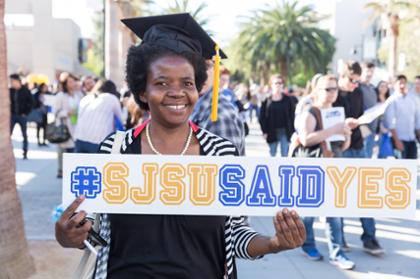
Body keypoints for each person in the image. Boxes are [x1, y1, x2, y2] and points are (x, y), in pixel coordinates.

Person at [55, 14, 306, 279]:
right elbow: (94, 232)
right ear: (142, 91)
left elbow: (234, 235)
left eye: (187, 83)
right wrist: (68, 235)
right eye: (162, 83)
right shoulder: (115, 151)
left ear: (197, 88)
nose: (177, 92)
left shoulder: (221, 154)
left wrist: (276, 243)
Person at [295, 75, 354, 270]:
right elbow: (305, 139)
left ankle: (337, 253)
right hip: (313, 167)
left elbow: (341, 146)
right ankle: (308, 245)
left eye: (334, 89)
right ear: (317, 90)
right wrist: (333, 129)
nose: (332, 93)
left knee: (334, 213)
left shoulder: (336, 113)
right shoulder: (310, 112)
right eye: (327, 89)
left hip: (333, 165)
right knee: (309, 212)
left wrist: (345, 135)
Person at [333, 61, 384, 256]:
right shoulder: (333, 93)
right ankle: (339, 238)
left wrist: (360, 125)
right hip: (339, 150)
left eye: (357, 81)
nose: (355, 85)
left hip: (358, 146)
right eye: (352, 81)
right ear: (342, 76)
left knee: (364, 195)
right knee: (339, 197)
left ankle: (369, 238)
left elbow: (361, 115)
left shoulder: (358, 92)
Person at [191, 59, 246, 155]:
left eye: (207, 66)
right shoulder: (190, 107)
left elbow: (225, 166)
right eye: (192, 64)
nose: (201, 72)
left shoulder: (220, 115)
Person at [74, 80, 123, 153]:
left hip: (79, 139)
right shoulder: (112, 98)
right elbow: (121, 118)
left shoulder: (86, 98)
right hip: (98, 141)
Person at [384, 75, 420, 159]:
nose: (402, 86)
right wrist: (397, 141)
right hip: (398, 140)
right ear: (394, 85)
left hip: (411, 140)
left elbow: (417, 120)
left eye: (404, 83)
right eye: (400, 83)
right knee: (400, 168)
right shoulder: (391, 101)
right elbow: (390, 123)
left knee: (412, 168)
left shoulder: (413, 99)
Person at [55, 72, 83, 178]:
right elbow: (56, 112)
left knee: (73, 150)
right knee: (64, 151)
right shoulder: (60, 96)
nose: (73, 83)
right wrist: (67, 113)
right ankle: (62, 170)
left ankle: (71, 170)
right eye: (70, 81)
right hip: (65, 127)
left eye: (74, 81)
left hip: (77, 127)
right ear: (65, 84)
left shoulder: (79, 95)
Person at [259, 74, 295, 157]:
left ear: (282, 85)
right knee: (272, 154)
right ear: (271, 85)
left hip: (285, 131)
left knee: (285, 154)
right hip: (271, 131)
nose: (278, 85)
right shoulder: (266, 100)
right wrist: (264, 131)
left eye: (280, 83)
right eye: (276, 83)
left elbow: (292, 115)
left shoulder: (288, 100)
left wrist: (293, 131)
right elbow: (262, 117)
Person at [9, 73, 33, 159]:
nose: (11, 83)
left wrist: (26, 113)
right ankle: (8, 152)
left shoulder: (25, 90)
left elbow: (31, 103)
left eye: (12, 81)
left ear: (17, 81)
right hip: (12, 116)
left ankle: (25, 152)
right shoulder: (10, 90)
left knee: (24, 135)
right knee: (9, 135)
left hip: (22, 116)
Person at [359, 62, 378, 158]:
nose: (369, 74)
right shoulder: (357, 87)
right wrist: (362, 126)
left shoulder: (372, 89)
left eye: (372, 71)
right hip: (362, 131)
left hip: (373, 131)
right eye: (367, 71)